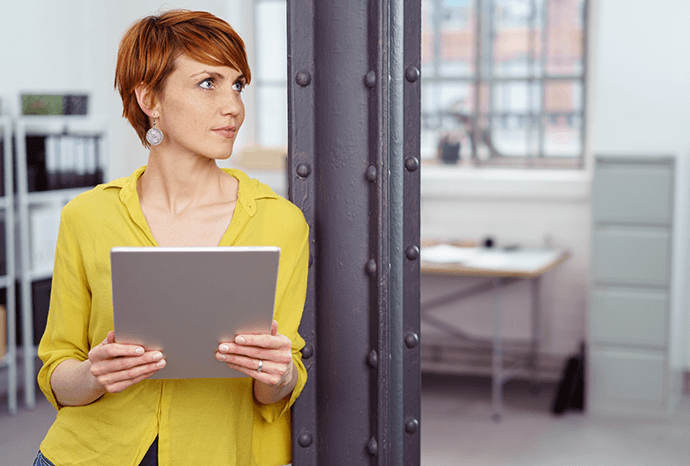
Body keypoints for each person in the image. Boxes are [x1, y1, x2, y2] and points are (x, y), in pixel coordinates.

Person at [33, 10, 308, 466]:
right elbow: (58, 370)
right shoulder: (86, 217)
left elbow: (278, 388)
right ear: (149, 99)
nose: (234, 106)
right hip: (87, 453)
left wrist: (278, 373)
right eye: (208, 83)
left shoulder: (280, 223)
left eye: (237, 84)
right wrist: (95, 373)